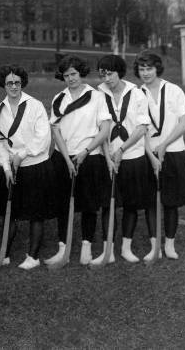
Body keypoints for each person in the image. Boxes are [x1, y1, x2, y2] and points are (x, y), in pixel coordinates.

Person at [45, 55, 111, 266]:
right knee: (63, 205)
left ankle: (86, 248)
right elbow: (55, 130)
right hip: (63, 158)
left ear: (80, 73)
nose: (71, 78)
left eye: (73, 74)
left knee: (89, 205)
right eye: (66, 75)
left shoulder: (96, 96)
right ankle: (62, 248)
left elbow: (105, 129)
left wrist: (84, 152)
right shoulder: (59, 98)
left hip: (89, 157)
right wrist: (66, 158)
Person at [0, 65, 55, 271]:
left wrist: (22, 155)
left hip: (35, 166)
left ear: (22, 83)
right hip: (11, 168)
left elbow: (43, 137)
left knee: (36, 213)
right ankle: (5, 254)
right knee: (11, 211)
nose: (14, 86)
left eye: (17, 82)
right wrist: (7, 167)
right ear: (4, 84)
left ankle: (33, 256)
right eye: (10, 83)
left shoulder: (34, 106)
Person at [135, 51, 185, 259]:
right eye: (142, 69)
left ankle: (169, 244)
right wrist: (151, 152)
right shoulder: (136, 94)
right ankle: (154, 247)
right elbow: (138, 129)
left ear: (157, 68)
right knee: (151, 200)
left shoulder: (173, 90)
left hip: (173, 152)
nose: (146, 73)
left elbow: (184, 122)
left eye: (149, 68)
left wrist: (164, 145)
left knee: (171, 200)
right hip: (147, 153)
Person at [96, 55, 152, 263]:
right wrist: (109, 156)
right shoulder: (98, 94)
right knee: (107, 204)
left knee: (131, 204)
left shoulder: (137, 94)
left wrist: (121, 150)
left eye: (110, 73)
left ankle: (126, 248)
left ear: (119, 71)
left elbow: (142, 127)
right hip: (107, 158)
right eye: (103, 73)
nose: (107, 77)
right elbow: (99, 129)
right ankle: (107, 250)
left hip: (133, 156)